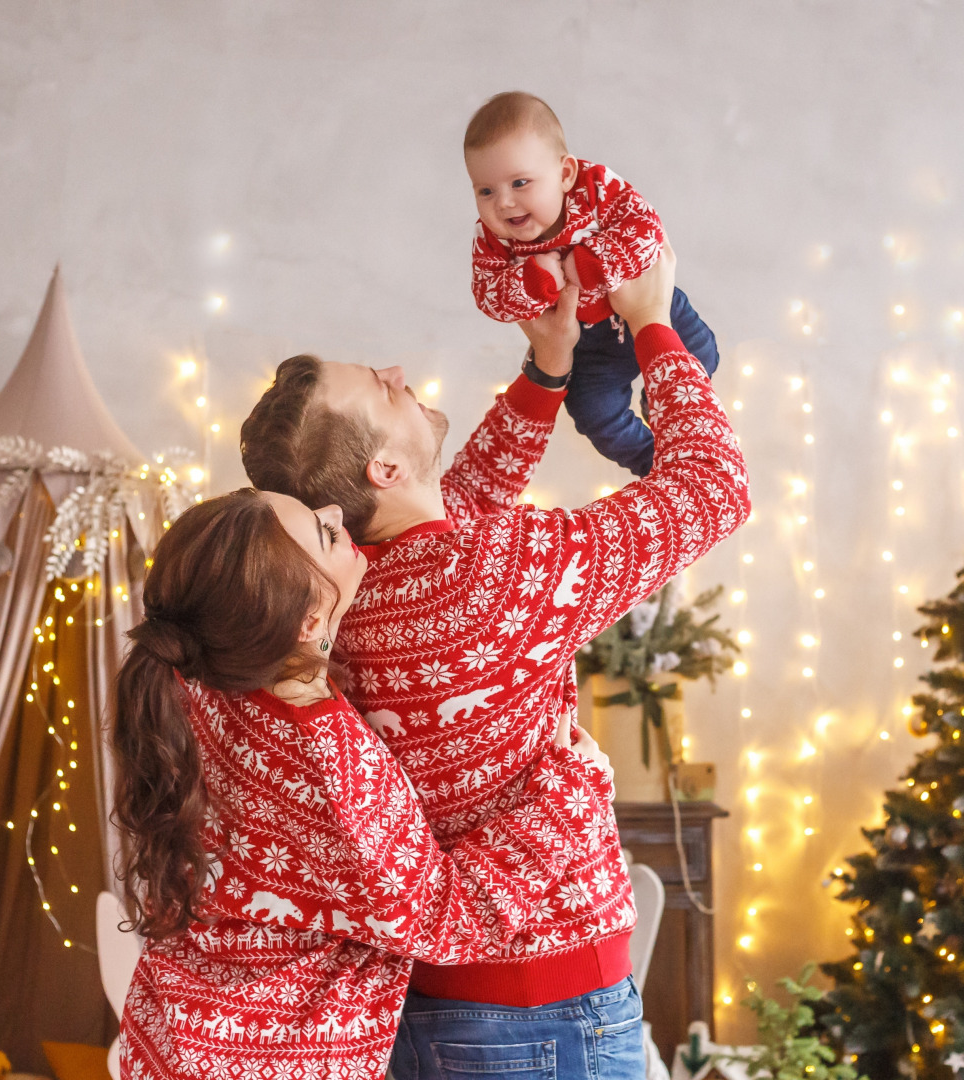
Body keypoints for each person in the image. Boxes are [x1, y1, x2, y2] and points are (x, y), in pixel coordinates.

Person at [239, 242, 749, 1080]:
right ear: (385, 468)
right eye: (383, 385)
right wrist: (655, 327)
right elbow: (715, 487)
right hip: (544, 1020)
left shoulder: (339, 591)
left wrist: (548, 371)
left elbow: (454, 507)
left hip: (415, 1008)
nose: (400, 373)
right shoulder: (505, 572)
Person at [110, 488, 615, 1080]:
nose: (335, 513)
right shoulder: (330, 759)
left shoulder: (203, 675)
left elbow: (438, 490)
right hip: (264, 1056)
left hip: (179, 1031)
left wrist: (537, 394)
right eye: (325, 533)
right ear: (308, 620)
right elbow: (445, 918)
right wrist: (572, 789)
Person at [465, 90, 720, 476]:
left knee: (703, 353)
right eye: (486, 191)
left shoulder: (596, 187)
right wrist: (532, 282)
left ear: (565, 174)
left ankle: (660, 400)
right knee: (594, 414)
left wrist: (592, 262)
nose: (503, 203)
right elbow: (489, 296)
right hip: (588, 343)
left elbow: (645, 227)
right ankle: (654, 467)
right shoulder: (491, 239)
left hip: (649, 303)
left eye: (520, 182)